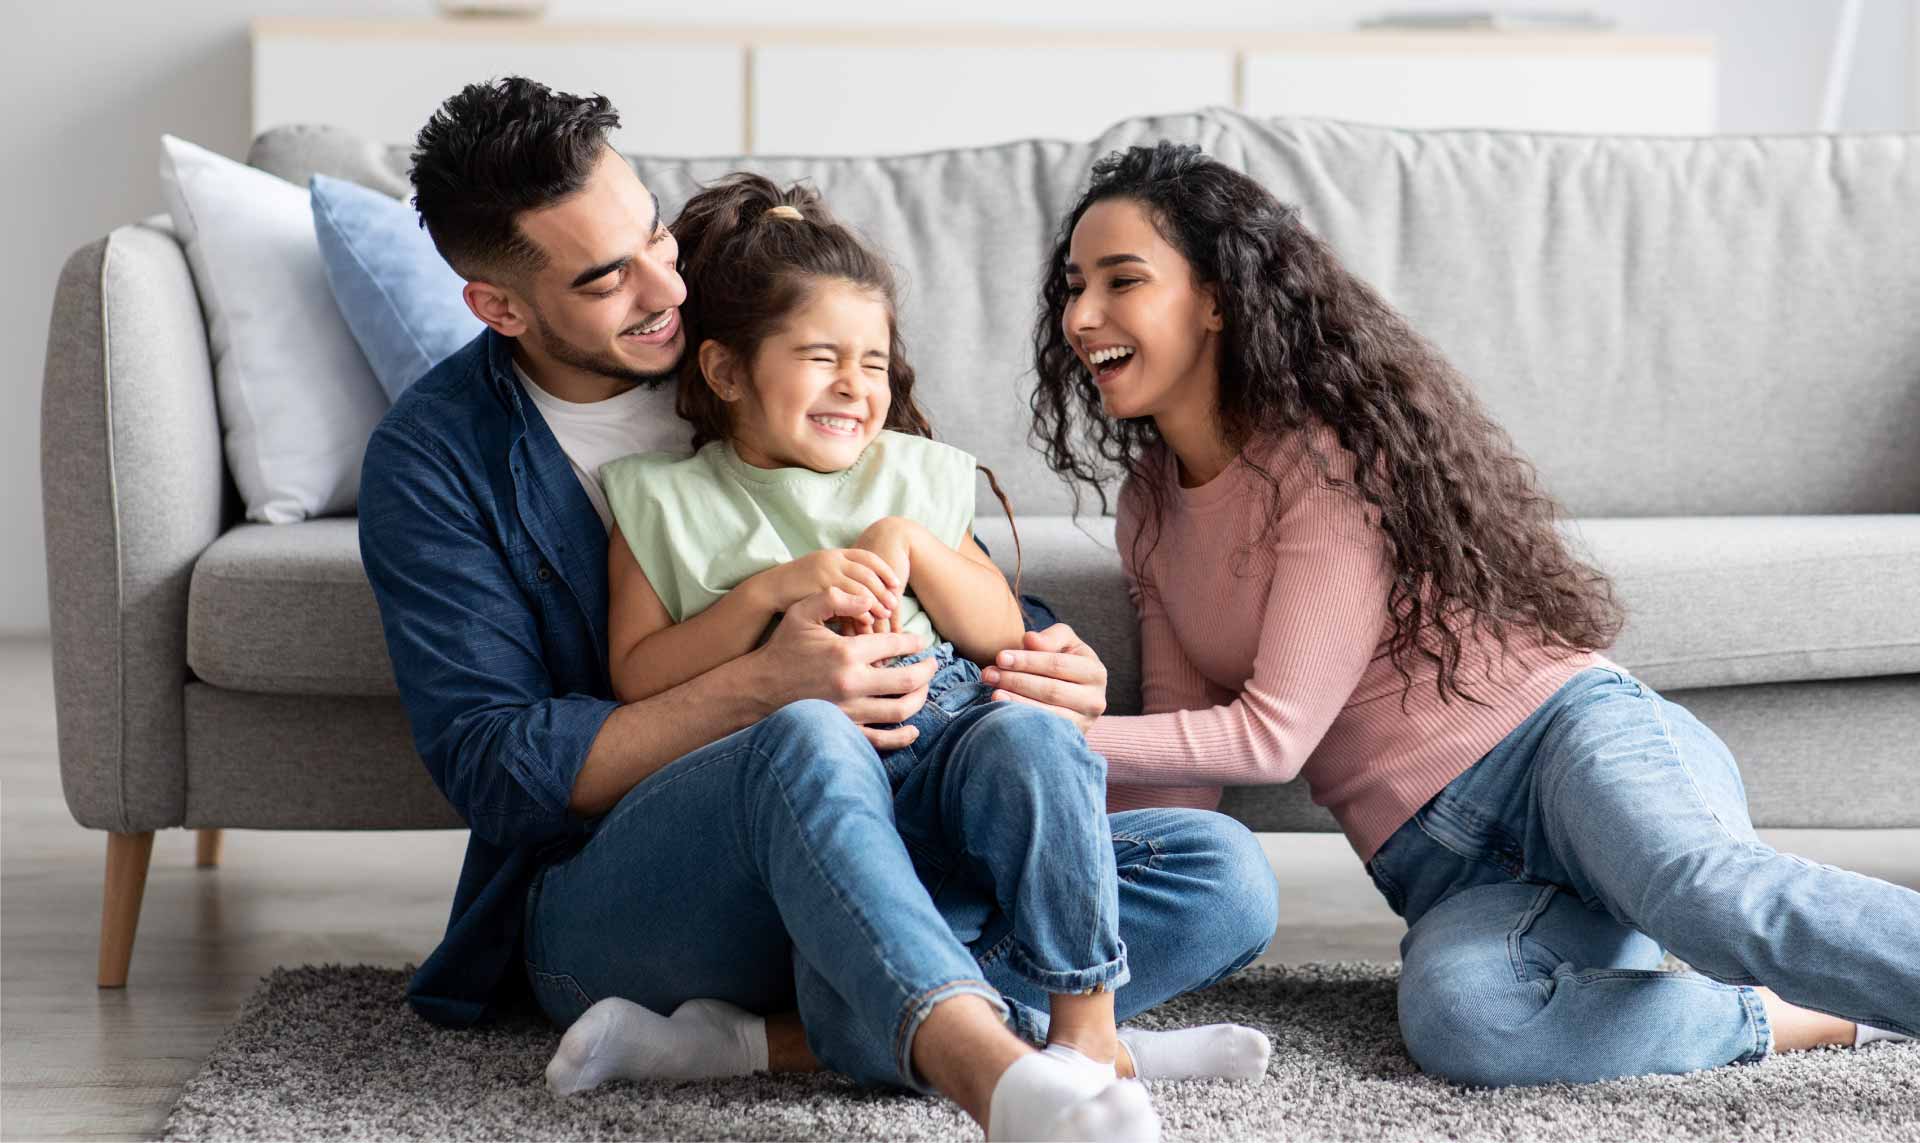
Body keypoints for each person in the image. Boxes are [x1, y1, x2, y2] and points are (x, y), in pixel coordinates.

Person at [358, 80, 1278, 1141]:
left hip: (900, 833)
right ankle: (997, 1078)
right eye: (610, 279)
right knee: (805, 736)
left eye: (654, 233)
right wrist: (760, 682)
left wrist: (1045, 667)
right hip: (652, 895)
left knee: (1221, 875)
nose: (666, 286)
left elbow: (931, 572)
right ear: (501, 307)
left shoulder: (773, 324)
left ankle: (781, 1040)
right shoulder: (436, 464)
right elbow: (501, 766)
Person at [1000, 140, 1919, 1088]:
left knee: (1706, 898)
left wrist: (1044, 734)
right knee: (1469, 1021)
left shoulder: (1320, 458)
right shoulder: (1151, 504)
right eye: (1073, 286)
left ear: (1218, 297)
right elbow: (1184, 778)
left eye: (1122, 281)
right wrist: (1018, 810)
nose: (1081, 316)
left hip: (1565, 745)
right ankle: (1797, 1017)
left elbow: (1269, 741)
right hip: (1451, 870)